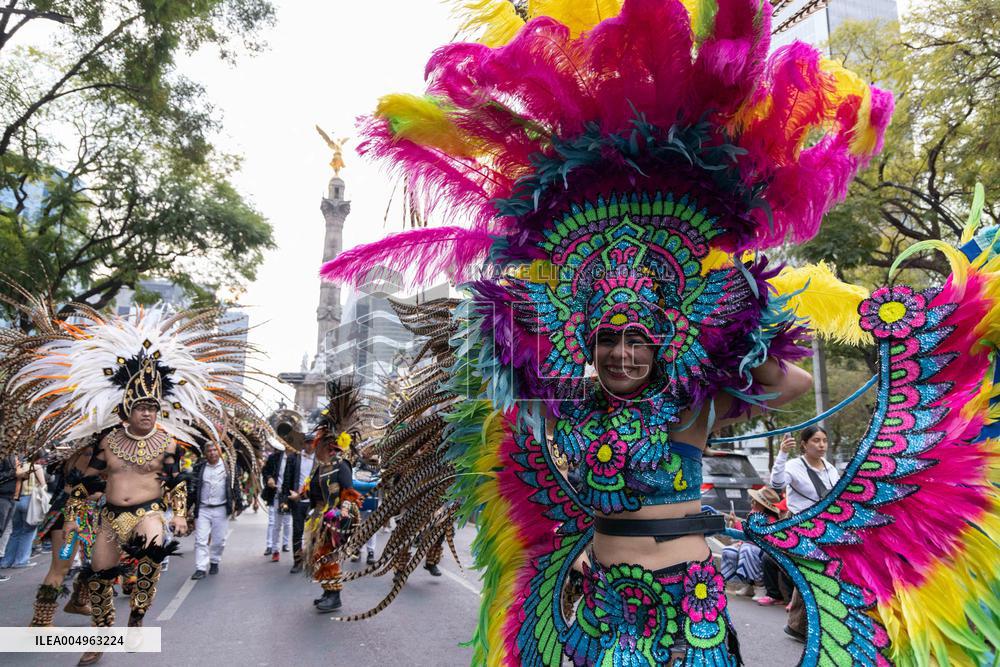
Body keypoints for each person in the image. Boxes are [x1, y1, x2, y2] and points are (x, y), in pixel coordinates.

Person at [0, 305, 266, 666]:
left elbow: (175, 483)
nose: (147, 413)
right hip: (94, 520)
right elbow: (85, 485)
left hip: (144, 514)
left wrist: (181, 516)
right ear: (125, 409)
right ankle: (70, 625)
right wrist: (77, 515)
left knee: (146, 557)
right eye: (140, 407)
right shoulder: (101, 445)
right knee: (82, 571)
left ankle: (135, 617)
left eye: (152, 408)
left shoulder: (166, 444)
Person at [769, 427, 841, 641]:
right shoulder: (793, 466)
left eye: (824, 441)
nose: (821, 445)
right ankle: (799, 625)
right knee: (810, 572)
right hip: (800, 525)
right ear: (804, 444)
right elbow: (777, 484)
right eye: (816, 440)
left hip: (825, 525)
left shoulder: (830, 468)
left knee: (822, 573)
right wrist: (782, 454)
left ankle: (805, 625)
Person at [303, 380, 363, 613]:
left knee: (329, 555)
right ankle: (327, 591)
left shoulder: (341, 465)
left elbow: (349, 492)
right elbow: (314, 491)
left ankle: (335, 595)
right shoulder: (321, 466)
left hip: (333, 518)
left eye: (329, 444)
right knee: (319, 554)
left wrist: (343, 513)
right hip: (319, 516)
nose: (326, 448)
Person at [27, 451, 103, 627]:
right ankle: (41, 622)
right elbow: (74, 488)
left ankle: (79, 602)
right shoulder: (89, 454)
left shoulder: (94, 451)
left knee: (95, 563)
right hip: (73, 516)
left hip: (88, 516)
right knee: (60, 568)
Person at [189, 440, 242, 579]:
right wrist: (186, 508)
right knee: (201, 540)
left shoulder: (228, 467)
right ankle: (200, 568)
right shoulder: (199, 467)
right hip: (203, 509)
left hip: (221, 509)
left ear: (220, 452)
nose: (212, 453)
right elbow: (193, 488)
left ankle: (214, 561)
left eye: (214, 450)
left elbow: (235, 485)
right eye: (209, 450)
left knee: (219, 541)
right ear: (205, 453)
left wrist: (239, 503)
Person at [0, 457, 45, 569]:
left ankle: (7, 560)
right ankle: (21, 561)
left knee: (14, 532)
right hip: (29, 500)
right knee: (28, 532)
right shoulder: (35, 467)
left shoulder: (19, 466)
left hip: (16, 498)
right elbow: (43, 484)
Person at [261, 443, 292, 561]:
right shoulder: (274, 457)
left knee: (288, 522)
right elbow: (265, 471)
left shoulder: (297, 458)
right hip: (276, 494)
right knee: (274, 522)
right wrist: (269, 478)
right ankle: (273, 548)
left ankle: (285, 543)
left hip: (289, 496)